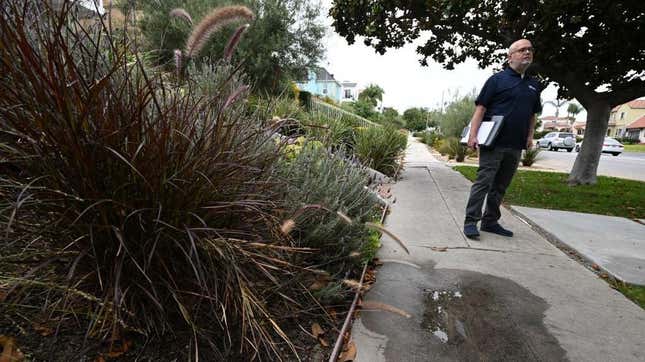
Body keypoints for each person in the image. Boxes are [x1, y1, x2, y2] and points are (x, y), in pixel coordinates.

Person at [463, 39, 543, 239]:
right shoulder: (497, 80)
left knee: (500, 186)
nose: (527, 52)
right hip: (494, 142)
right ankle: (471, 221)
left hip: (515, 145)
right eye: (522, 50)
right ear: (510, 57)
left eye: (530, 50)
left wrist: (530, 136)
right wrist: (473, 136)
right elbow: (480, 109)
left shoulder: (534, 85)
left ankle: (490, 221)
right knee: (483, 182)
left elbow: (533, 114)